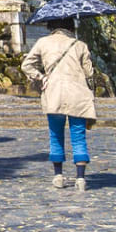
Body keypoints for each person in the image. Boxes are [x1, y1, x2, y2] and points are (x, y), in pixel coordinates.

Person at [22, 15, 99, 191]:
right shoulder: (80, 45)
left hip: (53, 92)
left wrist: (41, 77)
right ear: (71, 26)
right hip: (77, 94)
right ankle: (80, 179)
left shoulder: (43, 43)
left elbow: (26, 65)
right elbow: (89, 73)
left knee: (55, 135)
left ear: (51, 25)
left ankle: (58, 176)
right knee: (78, 136)